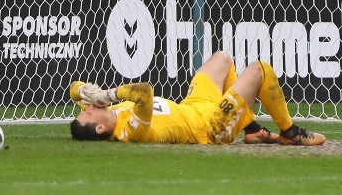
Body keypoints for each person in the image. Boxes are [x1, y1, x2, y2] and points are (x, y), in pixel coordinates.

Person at [68, 51, 325, 146]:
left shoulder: (106, 114)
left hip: (192, 107)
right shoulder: (130, 130)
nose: (90, 106)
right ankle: (290, 132)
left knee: (222, 59)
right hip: (211, 127)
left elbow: (73, 89)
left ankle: (252, 129)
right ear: (100, 128)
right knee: (261, 70)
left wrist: (85, 93)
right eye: (89, 111)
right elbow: (144, 92)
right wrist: (107, 94)